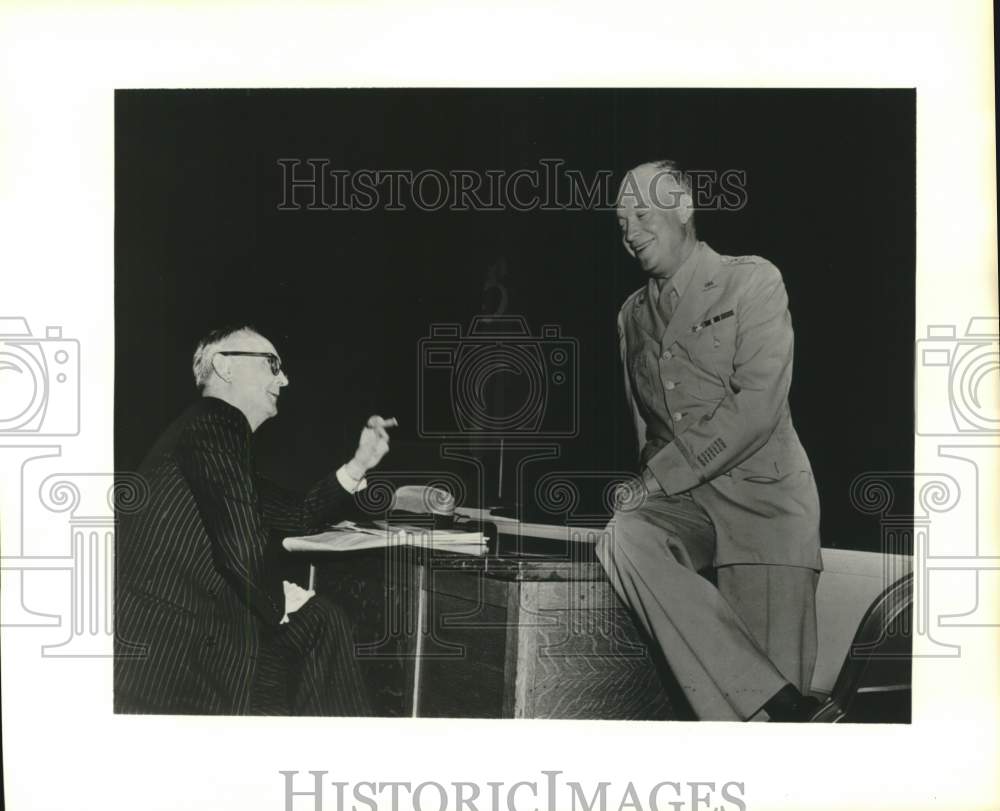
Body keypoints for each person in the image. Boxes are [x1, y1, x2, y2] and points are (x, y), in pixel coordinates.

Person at [597, 160, 824, 721]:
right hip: (687, 509)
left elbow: (757, 407)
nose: (630, 231)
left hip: (764, 514)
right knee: (623, 536)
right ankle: (766, 692)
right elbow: (647, 432)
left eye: (642, 213)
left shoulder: (752, 280)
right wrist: (645, 490)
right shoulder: (630, 316)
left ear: (684, 206)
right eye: (621, 221)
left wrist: (661, 476)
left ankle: (771, 705)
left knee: (768, 742)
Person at [115, 324, 396, 715]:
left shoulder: (212, 441)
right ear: (224, 367)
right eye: (272, 364)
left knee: (320, 620)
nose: (284, 378)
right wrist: (279, 602)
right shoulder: (217, 421)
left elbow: (299, 515)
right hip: (180, 659)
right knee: (320, 622)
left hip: (199, 636)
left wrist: (360, 463)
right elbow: (241, 546)